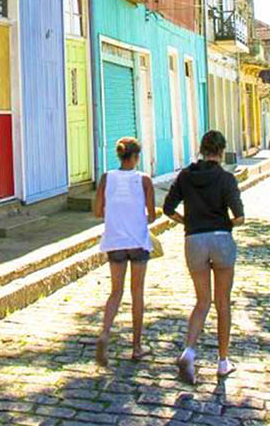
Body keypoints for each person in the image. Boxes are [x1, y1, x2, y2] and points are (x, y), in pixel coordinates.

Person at [163, 130, 244, 384]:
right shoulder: (226, 179)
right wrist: (226, 224)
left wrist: (186, 221)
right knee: (223, 302)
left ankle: (189, 350)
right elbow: (240, 217)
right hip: (221, 238)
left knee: (202, 301)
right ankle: (222, 361)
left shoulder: (185, 176)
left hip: (194, 240)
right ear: (221, 151)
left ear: (201, 149)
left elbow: (167, 208)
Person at [94, 136, 156, 366]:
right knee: (137, 293)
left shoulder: (106, 178)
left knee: (115, 292)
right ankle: (137, 347)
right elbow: (151, 214)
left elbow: (97, 211)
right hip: (137, 241)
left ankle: (104, 334)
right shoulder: (144, 180)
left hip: (115, 241)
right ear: (137, 157)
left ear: (120, 156)